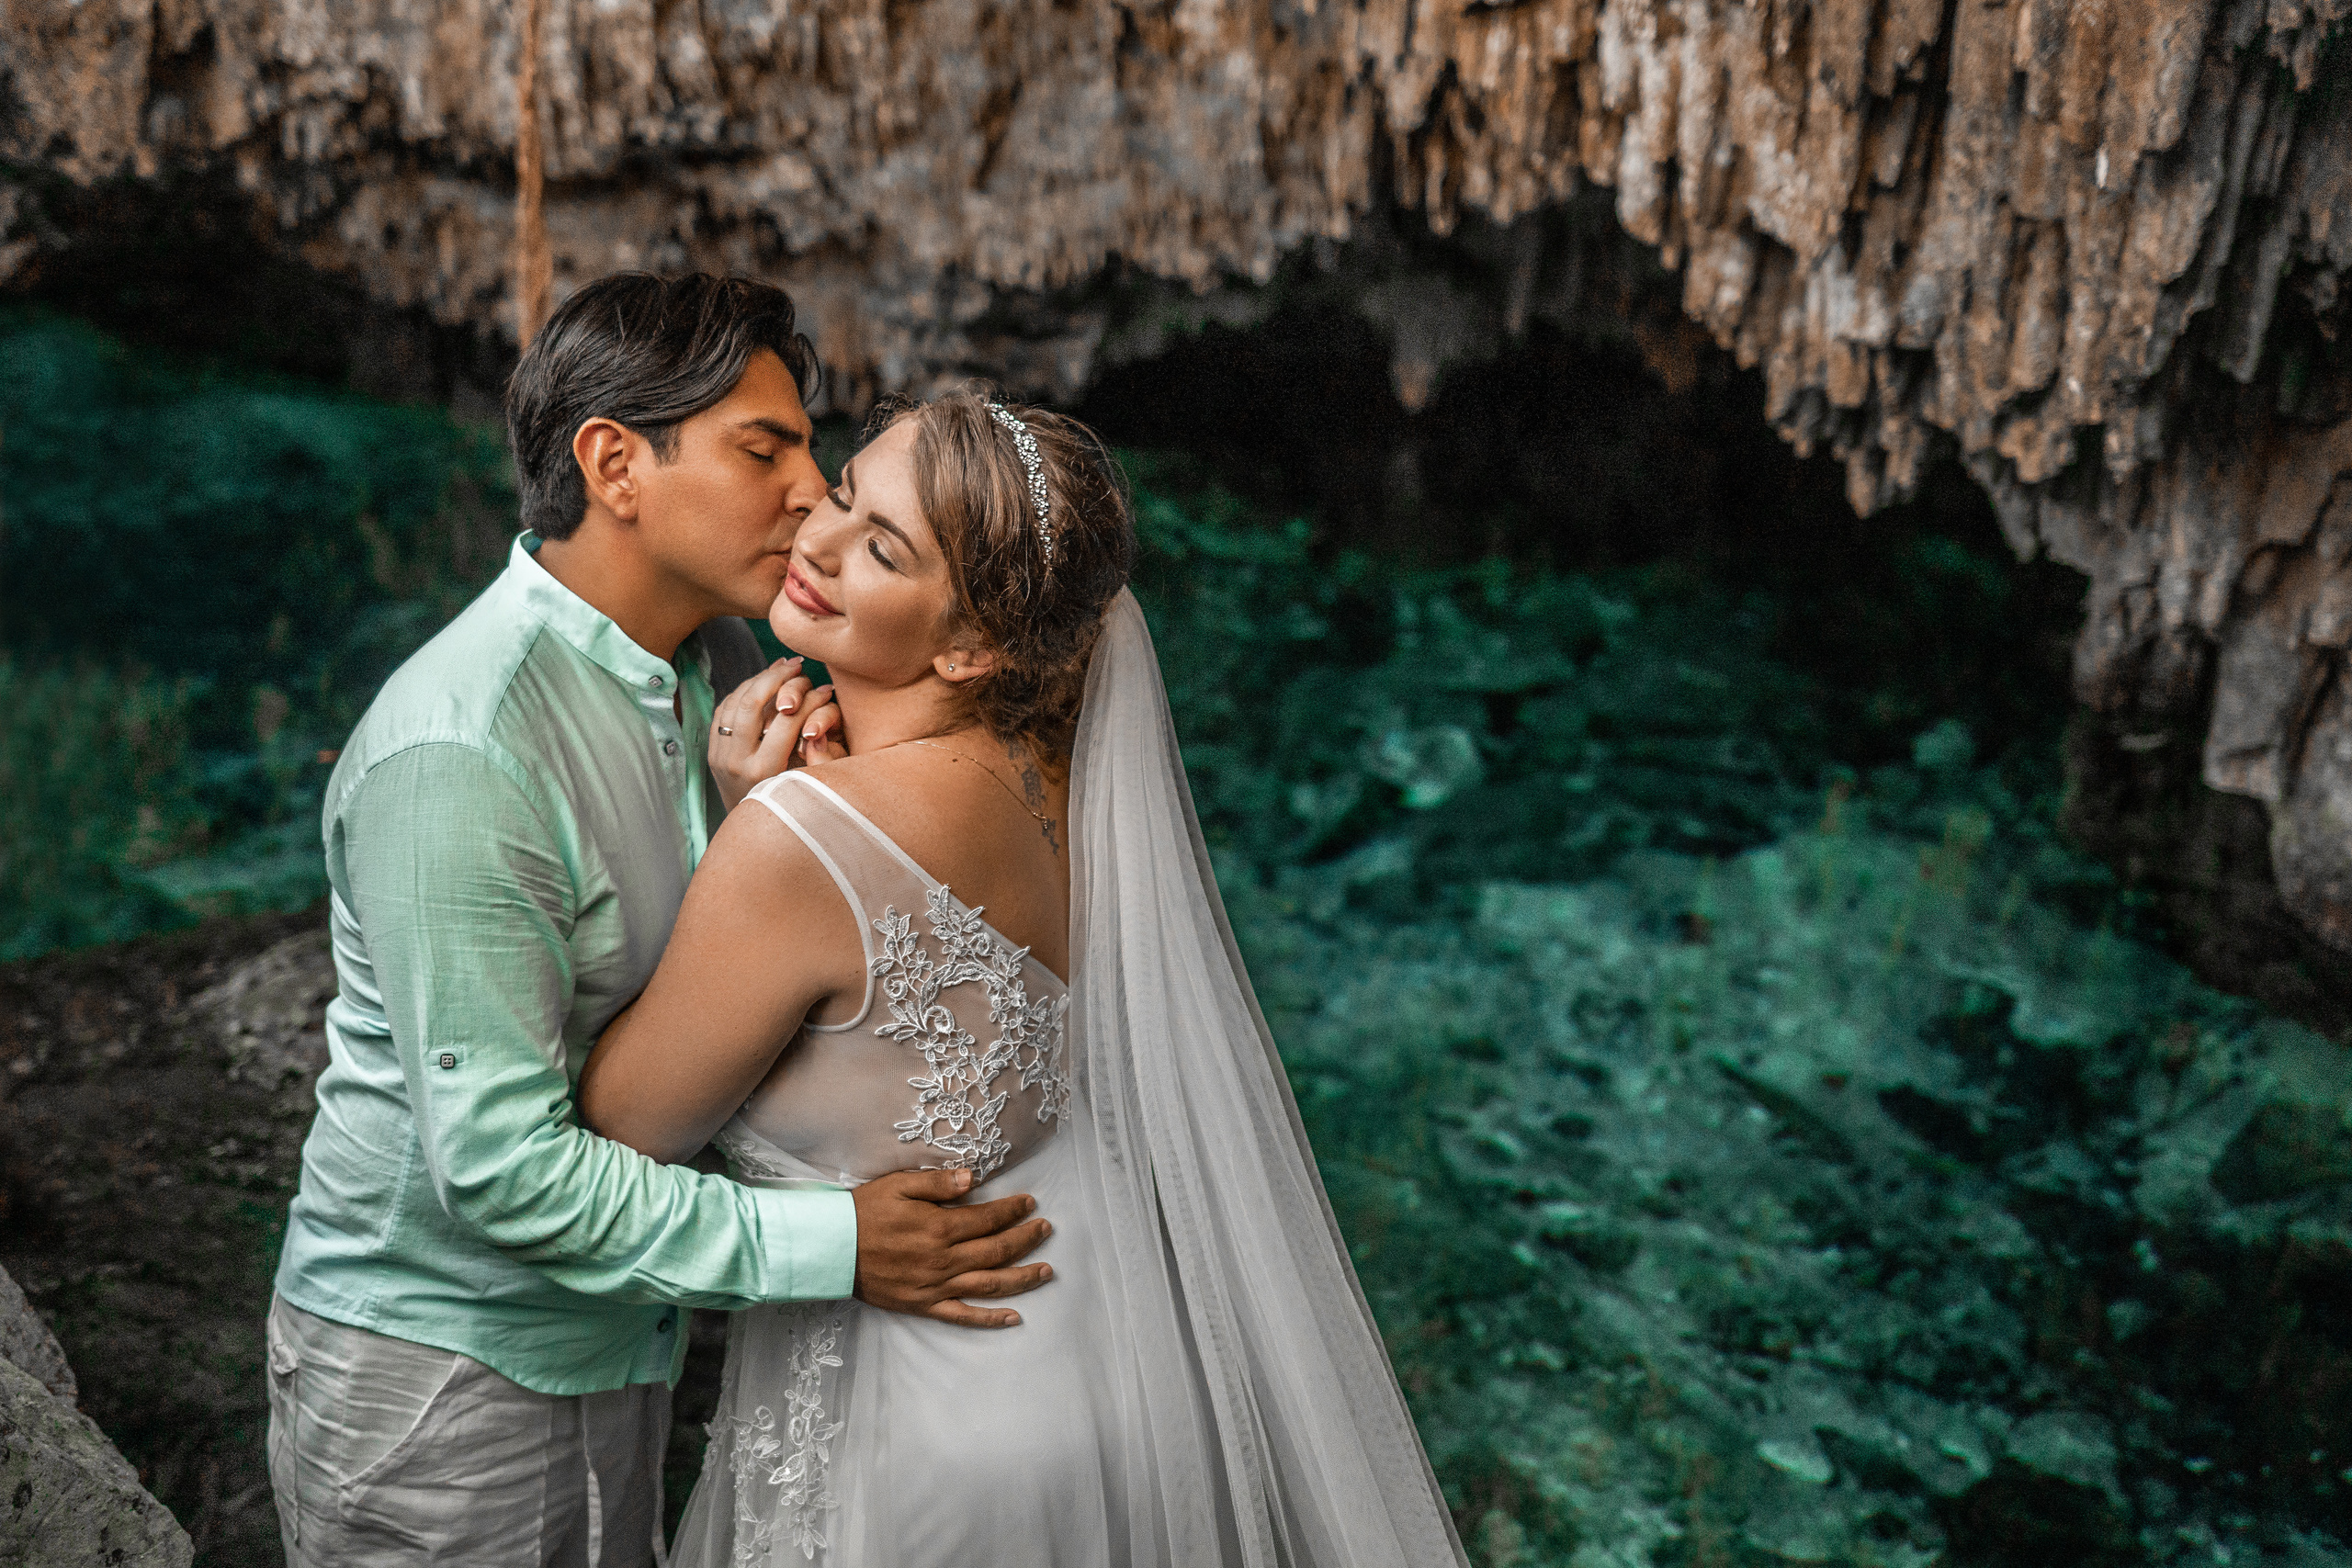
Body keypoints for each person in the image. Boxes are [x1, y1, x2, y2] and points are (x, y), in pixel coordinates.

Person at [581, 389, 1469, 1565]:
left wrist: (742, 822)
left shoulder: (796, 841)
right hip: (1109, 1362)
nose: (818, 541)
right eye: (843, 496)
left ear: (971, 645)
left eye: (882, 548)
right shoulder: (1068, 784)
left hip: (924, 1430)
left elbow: (621, 1125)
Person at [265, 274, 1053, 1568]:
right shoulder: (465, 750)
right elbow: (499, 1172)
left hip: (625, 1340)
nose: (811, 490)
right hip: (443, 1377)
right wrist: (843, 1242)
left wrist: (749, 812)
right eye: (766, 448)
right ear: (615, 465)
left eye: (811, 448)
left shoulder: (726, 678)